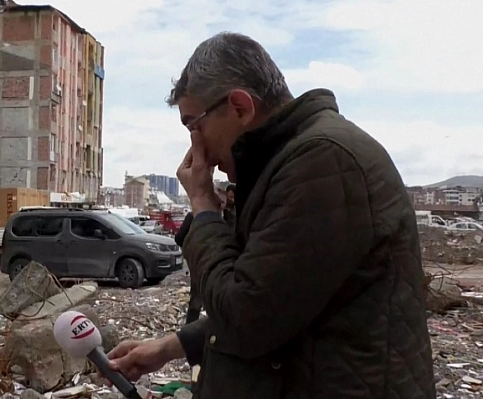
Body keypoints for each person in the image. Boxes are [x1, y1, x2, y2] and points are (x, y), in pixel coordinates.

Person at [107, 32, 434, 398]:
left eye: (194, 126)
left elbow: (246, 318)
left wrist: (202, 207)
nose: (197, 147)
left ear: (240, 108)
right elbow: (282, 300)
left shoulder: (322, 163)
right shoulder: (291, 162)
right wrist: (172, 346)